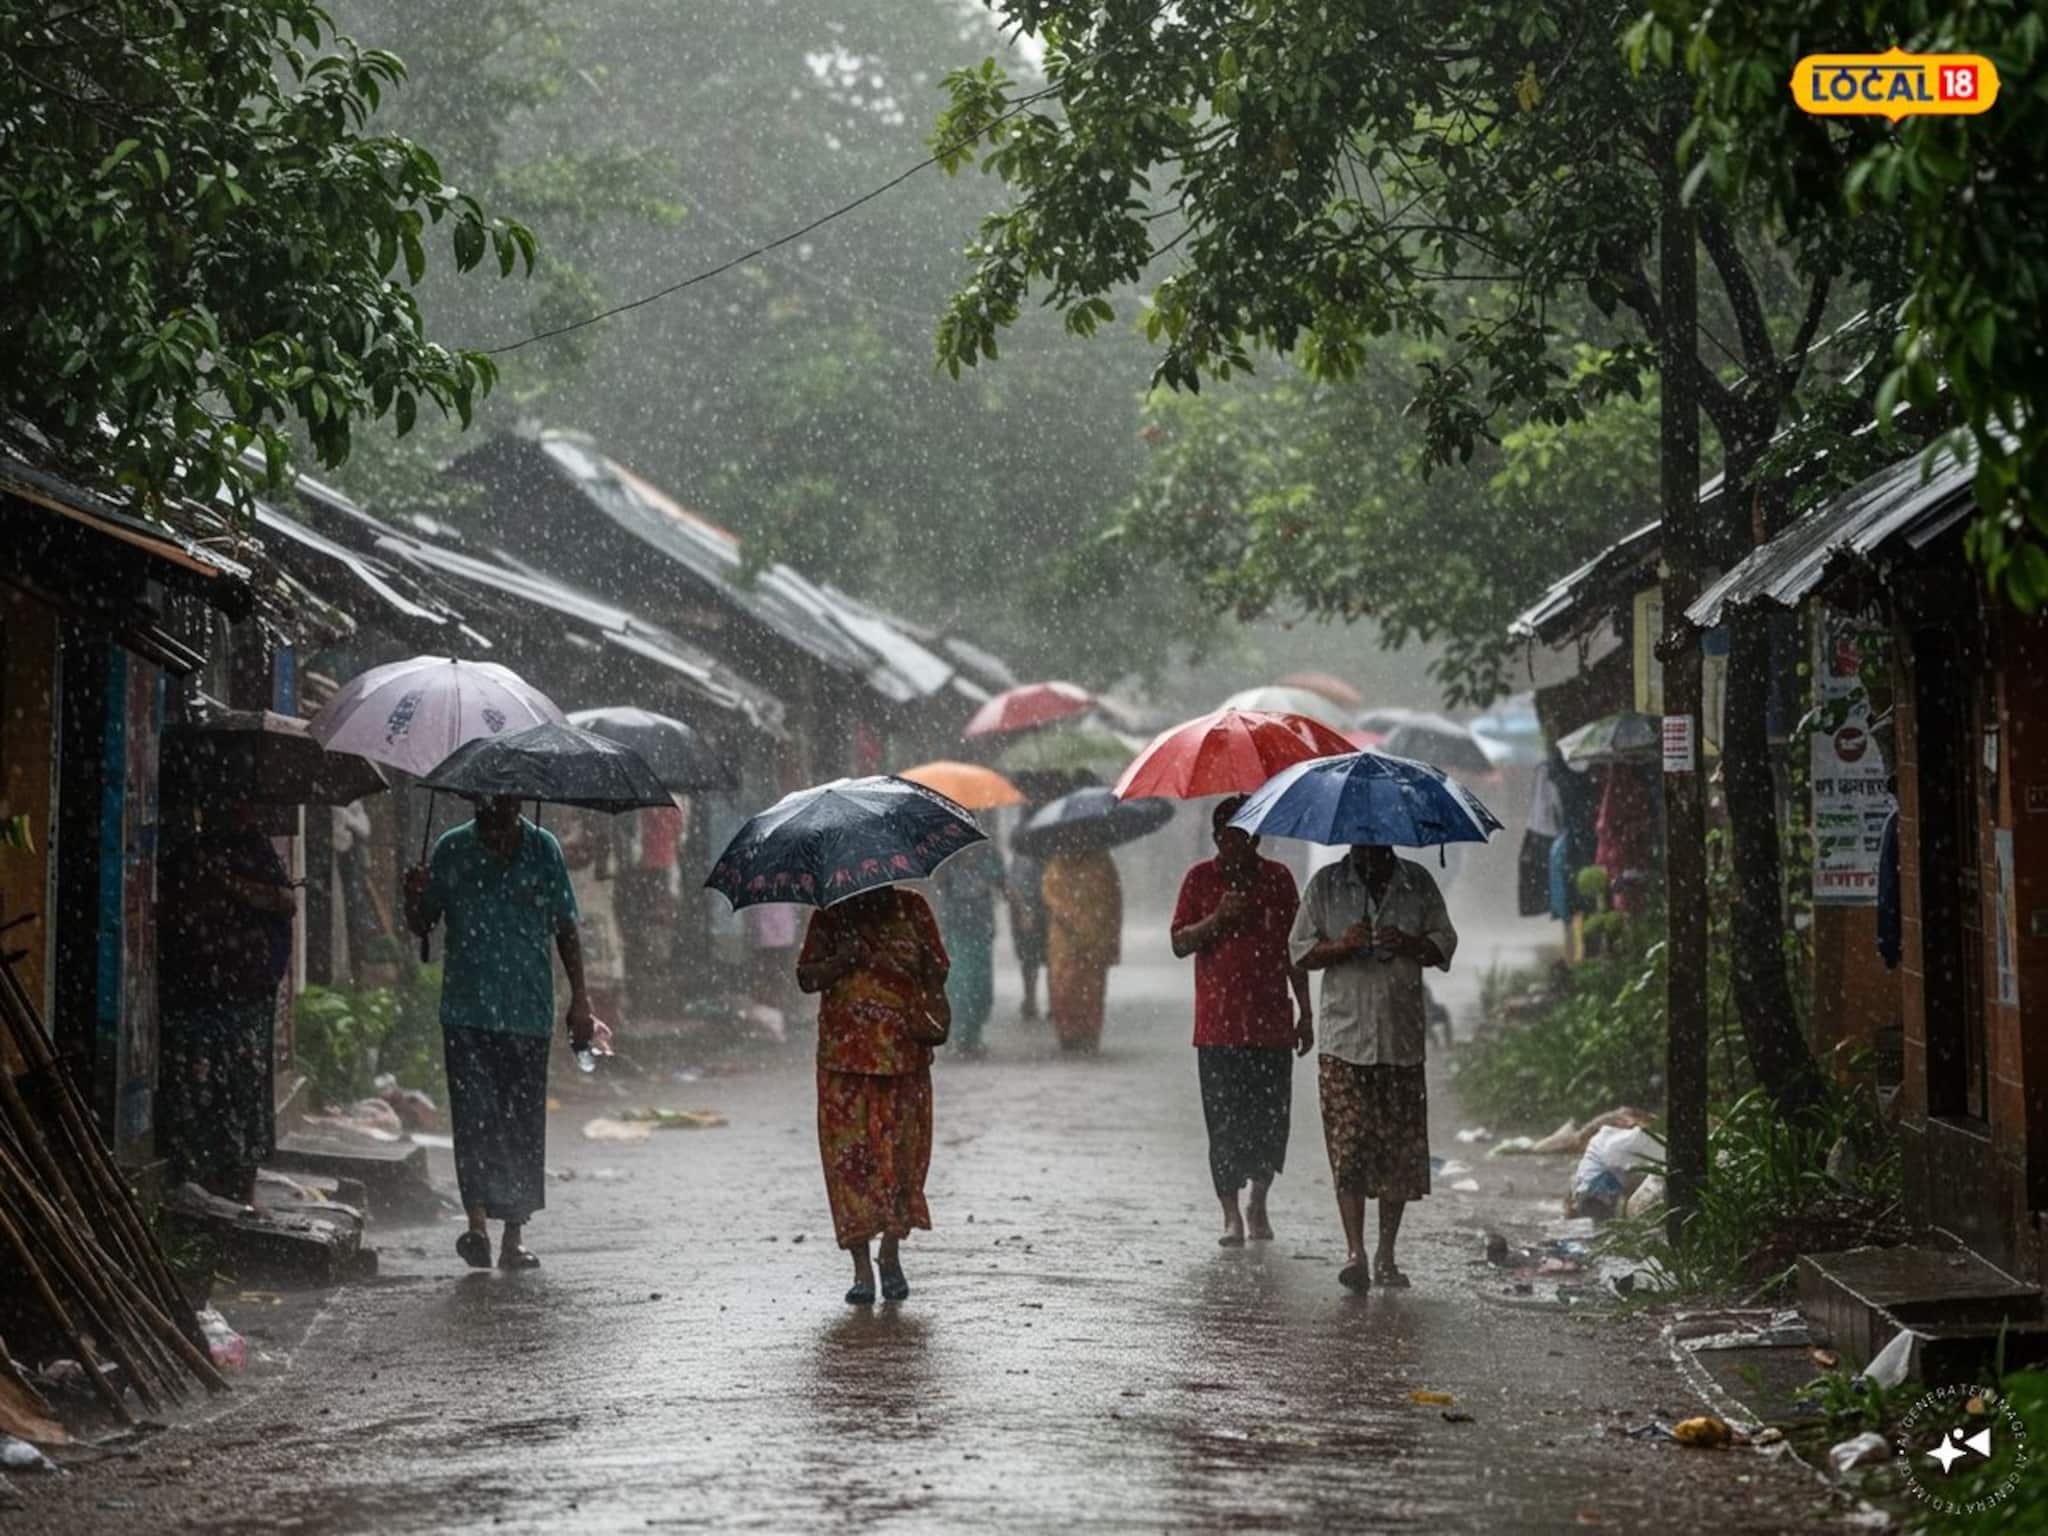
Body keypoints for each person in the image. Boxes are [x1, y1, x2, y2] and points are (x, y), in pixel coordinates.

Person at [405, 795, 592, 1271]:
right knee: (475, 1119)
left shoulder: (544, 849)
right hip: (467, 1009)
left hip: (528, 1010)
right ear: (474, 800)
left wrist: (580, 999)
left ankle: (513, 1235)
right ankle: (476, 1224)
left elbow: (565, 927)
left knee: (521, 1124)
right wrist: (415, 894)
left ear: (519, 800)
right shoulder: (451, 849)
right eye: (488, 801)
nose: (497, 811)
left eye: (507, 801)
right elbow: (422, 924)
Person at [1290, 842, 1458, 1292]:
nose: (1368, 844)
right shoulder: (1326, 886)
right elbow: (1299, 951)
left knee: (1397, 1152)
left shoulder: (1416, 882)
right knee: (1349, 1147)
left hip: (1400, 1039)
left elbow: (1444, 943)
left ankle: (1386, 1253)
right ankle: (1355, 1252)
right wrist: (1340, 946)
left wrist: (1410, 944)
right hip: (1344, 1041)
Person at [1170, 797, 1314, 1247]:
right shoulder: (1199, 879)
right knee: (1225, 1123)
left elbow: (1296, 950)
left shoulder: (1278, 879)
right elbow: (1178, 942)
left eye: (1249, 837)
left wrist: (1306, 1011)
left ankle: (1259, 1201)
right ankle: (1230, 1213)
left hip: (1271, 1023)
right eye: (1232, 837)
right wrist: (1217, 919)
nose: (1242, 846)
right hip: (1218, 1027)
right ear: (1217, 839)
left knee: (1270, 1120)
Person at [795, 885, 948, 1304]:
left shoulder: (912, 908)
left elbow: (939, 968)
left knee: (901, 1160)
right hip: (843, 1064)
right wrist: (843, 960)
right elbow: (806, 977)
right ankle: (861, 1269)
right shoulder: (829, 916)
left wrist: (904, 961)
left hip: (904, 1062)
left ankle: (891, 1254)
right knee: (851, 1166)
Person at [157, 802, 296, 1203]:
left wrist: (229, 883)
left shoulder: (254, 850)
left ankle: (239, 1184)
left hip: (244, 998)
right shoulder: (188, 853)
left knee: (242, 1092)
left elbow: (285, 901)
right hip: (196, 996)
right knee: (197, 1093)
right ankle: (202, 1176)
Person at [1042, 846, 1123, 1052]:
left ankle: (1088, 1035)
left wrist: (1107, 933)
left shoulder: (1102, 862)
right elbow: (1050, 897)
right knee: (1064, 987)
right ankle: (1069, 1035)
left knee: (1092, 989)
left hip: (1095, 937)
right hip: (1065, 940)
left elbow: (1113, 899)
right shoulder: (1057, 864)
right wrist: (1071, 918)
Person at [933, 840, 1005, 1056]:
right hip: (956, 929)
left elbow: (1002, 883)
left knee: (980, 985)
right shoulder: (943, 856)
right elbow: (938, 884)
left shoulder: (988, 853)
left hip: (980, 929)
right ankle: (959, 1035)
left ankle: (973, 1035)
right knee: (960, 983)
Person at [1007, 841, 1048, 1021]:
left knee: (1041, 959)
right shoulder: (1024, 858)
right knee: (1031, 959)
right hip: (1031, 912)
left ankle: (1034, 1001)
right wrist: (1025, 911)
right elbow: (1015, 885)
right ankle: (1031, 1000)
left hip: (1042, 911)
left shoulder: (1044, 854)